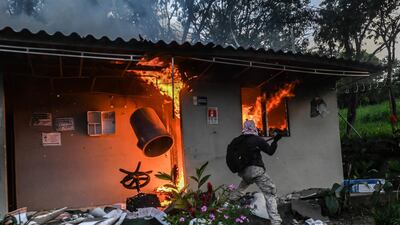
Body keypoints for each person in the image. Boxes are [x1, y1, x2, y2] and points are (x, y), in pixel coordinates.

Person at [230, 120, 282, 225]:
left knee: (241, 189)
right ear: (254, 128)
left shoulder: (238, 141)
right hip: (256, 170)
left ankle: (226, 205)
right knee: (270, 193)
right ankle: (276, 221)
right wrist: (275, 141)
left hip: (244, 172)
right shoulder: (257, 139)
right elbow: (270, 152)